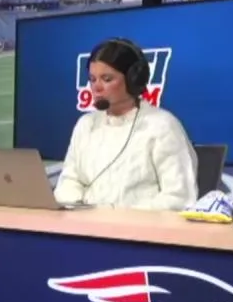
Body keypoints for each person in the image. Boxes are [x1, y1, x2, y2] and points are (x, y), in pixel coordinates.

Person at [54, 38, 199, 209]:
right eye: (92, 79)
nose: (96, 87)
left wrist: (120, 215)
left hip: (139, 224)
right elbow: (69, 182)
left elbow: (179, 198)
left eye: (107, 79)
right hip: (84, 222)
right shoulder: (85, 125)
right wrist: (76, 208)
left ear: (133, 81)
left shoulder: (162, 126)